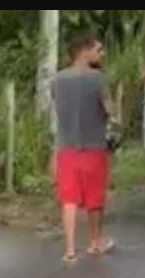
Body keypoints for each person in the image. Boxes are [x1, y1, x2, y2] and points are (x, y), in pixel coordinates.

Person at [50, 31, 118, 262]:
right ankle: (94, 243)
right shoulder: (97, 78)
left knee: (69, 199)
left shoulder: (57, 80)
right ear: (84, 51)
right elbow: (110, 110)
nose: (101, 53)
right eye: (98, 50)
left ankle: (69, 250)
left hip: (66, 148)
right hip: (94, 147)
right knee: (94, 199)